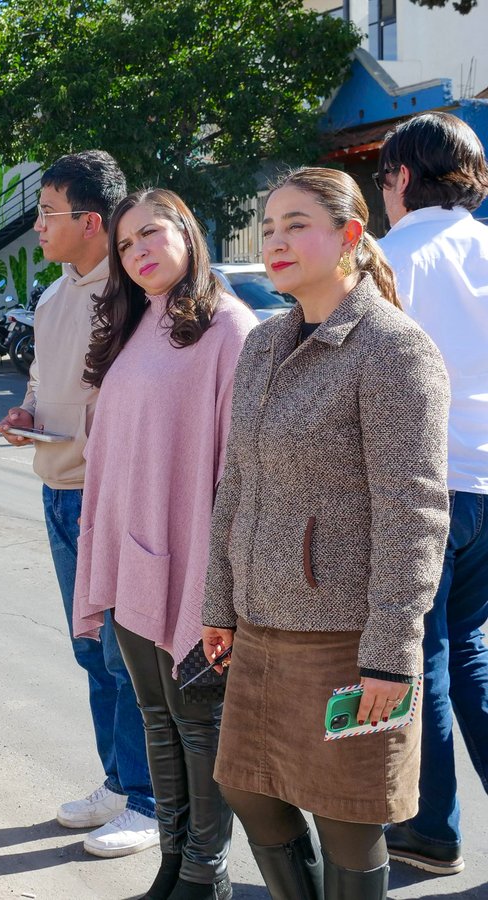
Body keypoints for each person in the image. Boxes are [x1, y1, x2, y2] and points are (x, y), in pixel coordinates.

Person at [203, 167, 450, 899]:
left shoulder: (393, 348)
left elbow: (415, 512)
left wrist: (391, 652)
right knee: (248, 789)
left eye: (297, 225)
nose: (276, 241)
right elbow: (236, 485)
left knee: (348, 818)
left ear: (348, 238)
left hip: (347, 638)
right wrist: (220, 604)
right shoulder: (264, 344)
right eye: (269, 227)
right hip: (261, 626)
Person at [73, 189, 256, 900]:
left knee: (198, 721)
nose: (138, 251)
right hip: (132, 556)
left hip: (193, 565)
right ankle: (174, 864)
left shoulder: (230, 328)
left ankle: (206, 874)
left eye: (151, 233)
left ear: (187, 232)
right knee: (157, 718)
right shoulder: (139, 322)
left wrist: (223, 585)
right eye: (125, 245)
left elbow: (237, 471)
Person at [0, 152, 156, 857]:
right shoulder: (53, 296)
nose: (36, 227)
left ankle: (150, 802)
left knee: (128, 661)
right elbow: (42, 382)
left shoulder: (134, 298)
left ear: (92, 221)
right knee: (90, 653)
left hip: (111, 500)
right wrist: (26, 413)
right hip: (58, 491)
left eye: (47, 213)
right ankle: (118, 784)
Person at [375, 111, 488, 877]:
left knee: (423, 662)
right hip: (487, 481)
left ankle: (429, 830)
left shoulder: (390, 259)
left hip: (423, 488)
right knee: (472, 652)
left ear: (401, 178)